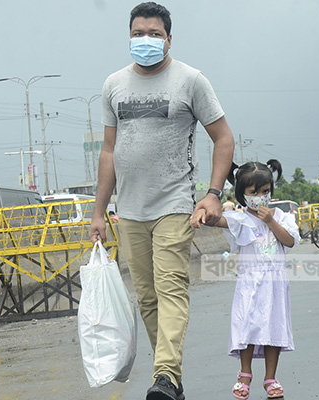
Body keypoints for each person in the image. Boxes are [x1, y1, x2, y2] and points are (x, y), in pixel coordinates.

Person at [88, 3, 235, 399]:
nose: (146, 40)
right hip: (130, 210)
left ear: (169, 39)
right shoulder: (113, 85)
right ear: (129, 38)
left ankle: (165, 375)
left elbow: (223, 138)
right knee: (148, 298)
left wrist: (213, 194)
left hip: (175, 204)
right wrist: (99, 211)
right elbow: (108, 151)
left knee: (171, 288)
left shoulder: (191, 81)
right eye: (138, 34)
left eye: (154, 34)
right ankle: (169, 380)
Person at [190, 159, 298, 400]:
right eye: (254, 192)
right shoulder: (239, 219)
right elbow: (217, 220)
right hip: (249, 285)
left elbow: (289, 240)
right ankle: (245, 374)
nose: (260, 197)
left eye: (265, 191)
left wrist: (270, 221)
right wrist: (202, 212)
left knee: (273, 327)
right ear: (242, 194)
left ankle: (271, 378)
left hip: (275, 286)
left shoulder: (281, 215)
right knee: (247, 326)